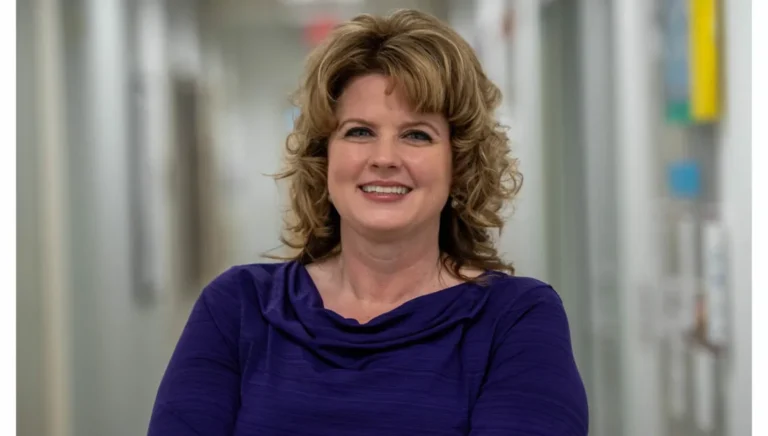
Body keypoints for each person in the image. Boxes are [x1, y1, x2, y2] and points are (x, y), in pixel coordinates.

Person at [148, 9, 588, 436]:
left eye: (417, 134)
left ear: (459, 163)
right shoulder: (237, 307)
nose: (384, 158)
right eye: (359, 131)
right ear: (324, 157)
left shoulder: (516, 320)